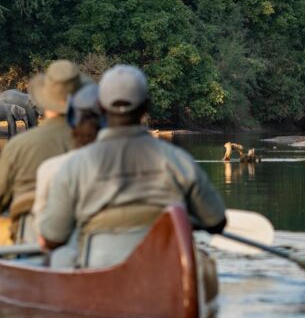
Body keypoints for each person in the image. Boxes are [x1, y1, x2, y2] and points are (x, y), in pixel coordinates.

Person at [39, 65, 226, 269]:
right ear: (146, 107)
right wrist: (188, 220)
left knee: (60, 257)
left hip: (98, 272)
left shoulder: (74, 166)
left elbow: (52, 238)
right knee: (204, 260)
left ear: (100, 107)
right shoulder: (178, 160)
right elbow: (216, 221)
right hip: (164, 273)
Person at [0, 60, 91, 245]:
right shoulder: (94, 142)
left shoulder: (19, 145)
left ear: (44, 101)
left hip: (31, 234)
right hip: (83, 232)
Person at [27, 83, 102, 245]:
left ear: (70, 123)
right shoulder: (139, 163)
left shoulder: (52, 168)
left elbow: (48, 234)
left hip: (76, 253)